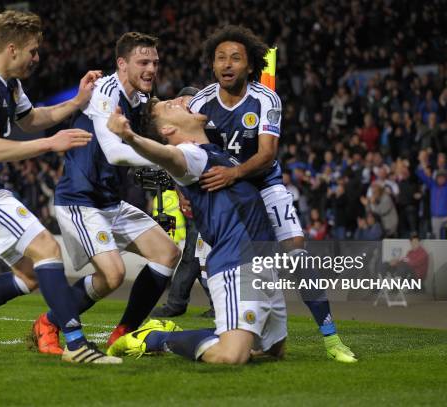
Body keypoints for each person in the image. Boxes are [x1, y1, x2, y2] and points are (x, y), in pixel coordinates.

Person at [0, 10, 120, 364]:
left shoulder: (6, 83)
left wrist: (77, 102)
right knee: (48, 248)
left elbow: (32, 119)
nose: (36, 58)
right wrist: (52, 144)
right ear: (12, 49)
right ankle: (77, 345)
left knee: (30, 275)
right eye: (32, 51)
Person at [187, 25, 355, 362]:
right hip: (222, 193)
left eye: (235, 58)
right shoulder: (200, 103)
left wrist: (234, 172)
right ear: (213, 64)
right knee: (207, 264)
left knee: (295, 254)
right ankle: (232, 333)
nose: (227, 64)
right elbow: (184, 149)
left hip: (262, 185)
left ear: (250, 66)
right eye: (221, 58)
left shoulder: (266, 98)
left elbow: (266, 154)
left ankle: (331, 338)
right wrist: (185, 193)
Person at [30, 32, 181, 355]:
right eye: (143, 62)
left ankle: (123, 334)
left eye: (155, 62)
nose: (152, 69)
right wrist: (170, 162)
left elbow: (165, 125)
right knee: (113, 275)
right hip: (80, 200)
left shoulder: (140, 100)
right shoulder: (105, 92)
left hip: (110, 201)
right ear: (122, 64)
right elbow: (113, 152)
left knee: (167, 253)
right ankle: (50, 322)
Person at [105, 97, 286, 364]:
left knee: (272, 352)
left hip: (263, 259)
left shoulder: (212, 151)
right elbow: (169, 156)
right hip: (236, 263)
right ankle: (153, 337)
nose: (180, 100)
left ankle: (219, 333)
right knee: (231, 356)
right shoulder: (189, 153)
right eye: (170, 106)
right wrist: (130, 136)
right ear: (167, 130)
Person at [151, 86, 213, 318]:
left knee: (198, 255)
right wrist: (181, 192)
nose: (182, 105)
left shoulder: (204, 133)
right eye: (180, 102)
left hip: (210, 207)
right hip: (201, 205)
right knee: (196, 254)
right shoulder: (189, 144)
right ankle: (180, 303)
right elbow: (178, 162)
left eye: (184, 101)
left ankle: (178, 304)